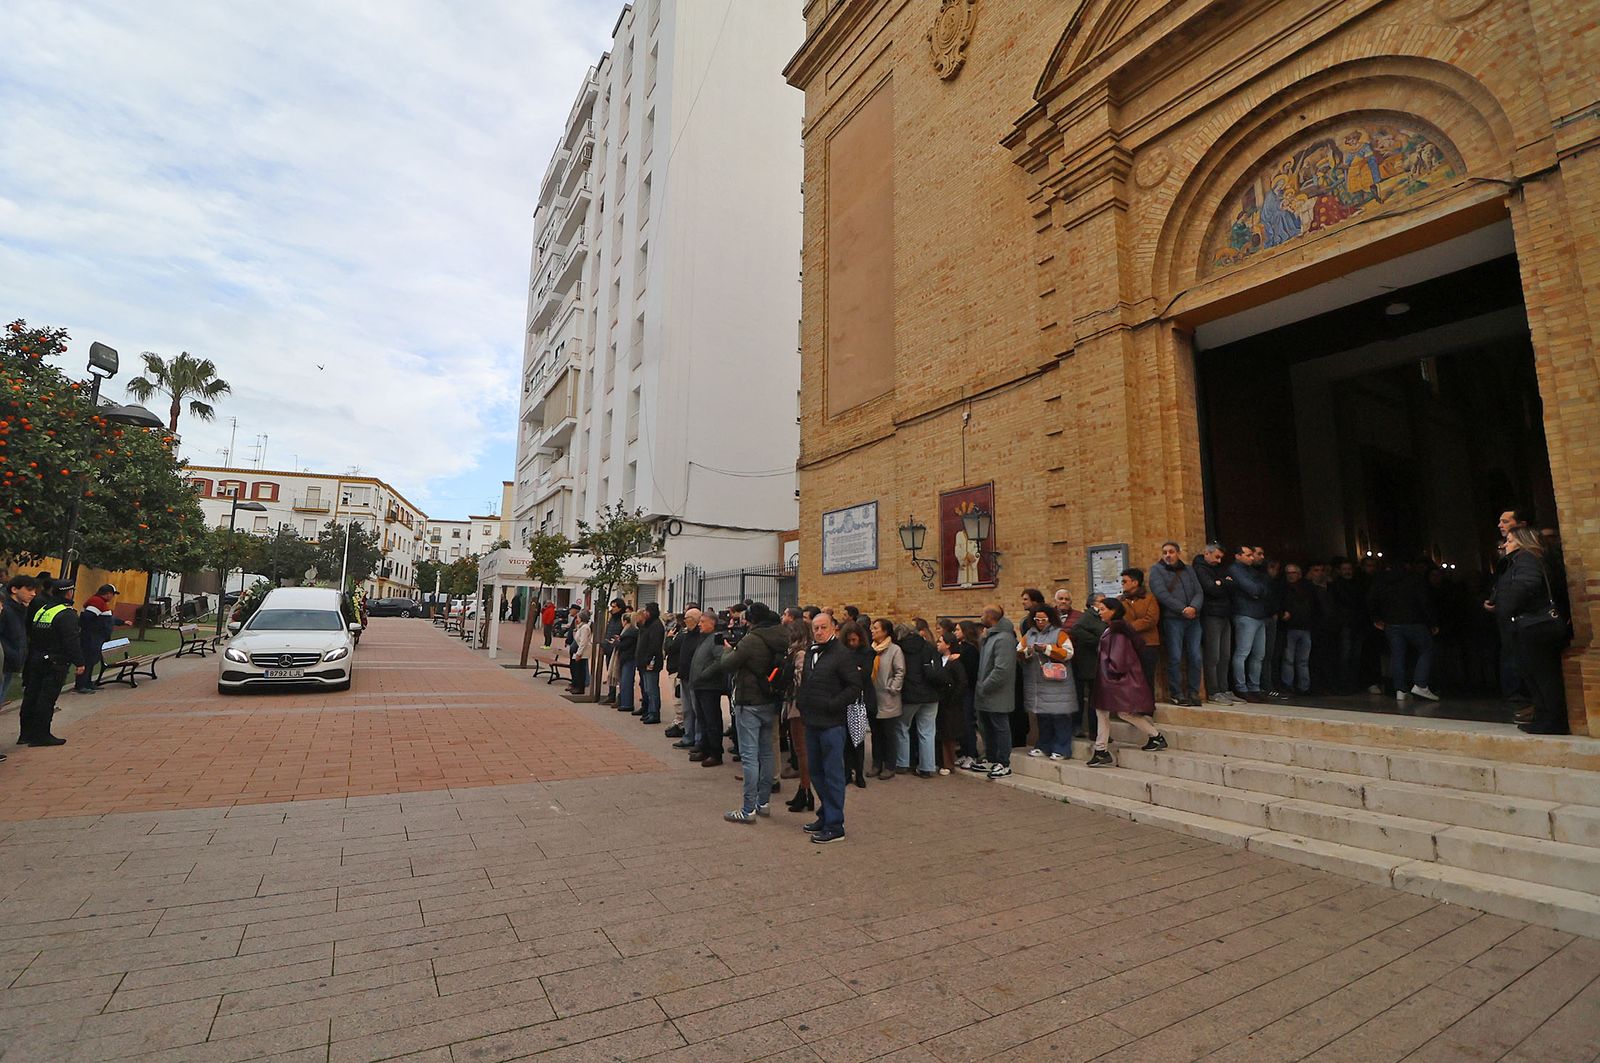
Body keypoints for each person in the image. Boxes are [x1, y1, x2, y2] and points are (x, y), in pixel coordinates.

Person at [705, 602, 791, 821]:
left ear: (753, 620)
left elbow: (729, 664)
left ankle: (747, 809)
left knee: (750, 757)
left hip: (749, 700)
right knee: (767, 752)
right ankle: (763, 803)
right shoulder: (782, 636)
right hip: (770, 699)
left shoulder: (752, 640)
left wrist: (726, 651)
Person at [796, 610, 863, 844]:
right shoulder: (811, 653)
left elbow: (854, 686)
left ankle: (835, 825)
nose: (819, 631)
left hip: (832, 724)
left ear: (834, 628)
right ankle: (825, 814)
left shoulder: (842, 654)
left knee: (833, 774)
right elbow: (806, 682)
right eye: (816, 628)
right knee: (816, 771)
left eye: (824, 627)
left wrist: (833, 704)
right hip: (812, 721)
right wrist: (802, 703)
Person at [1494, 527, 1569, 734]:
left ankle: (1554, 720)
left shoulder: (1526, 558)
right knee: (1533, 674)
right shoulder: (1522, 560)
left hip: (1537, 625)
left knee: (1543, 675)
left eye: (1509, 541)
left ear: (1521, 541)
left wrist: (1506, 606)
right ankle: (1544, 716)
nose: (1505, 545)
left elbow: (1526, 586)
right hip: (1531, 624)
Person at [1086, 597, 1166, 767]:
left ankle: (1101, 751)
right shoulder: (1116, 629)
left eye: (1102, 609)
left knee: (1107, 711)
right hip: (1115, 678)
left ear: (1113, 611)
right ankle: (1155, 736)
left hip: (1114, 679)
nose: (1099, 612)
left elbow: (1118, 658)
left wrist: (1110, 672)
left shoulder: (1117, 631)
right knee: (1120, 712)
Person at [19, 578, 87, 746]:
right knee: (46, 698)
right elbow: (71, 640)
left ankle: (25, 734)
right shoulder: (66, 613)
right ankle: (41, 735)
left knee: (31, 695)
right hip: (55, 661)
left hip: (36, 658)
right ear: (69, 592)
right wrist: (79, 662)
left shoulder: (43, 609)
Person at [1369, 558, 1439, 701]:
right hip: (1413, 620)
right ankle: (1420, 684)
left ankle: (1400, 689)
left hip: (1391, 623)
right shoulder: (1414, 579)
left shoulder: (1382, 580)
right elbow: (1424, 601)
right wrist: (1432, 622)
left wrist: (1376, 618)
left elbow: (1371, 598)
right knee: (1427, 648)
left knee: (1397, 655)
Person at [1019, 605, 1077, 760]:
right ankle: (1043, 746)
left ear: (1050, 619)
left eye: (1043, 619)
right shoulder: (1029, 634)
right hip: (1037, 682)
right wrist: (1028, 652)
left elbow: (1068, 653)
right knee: (1042, 716)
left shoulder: (1060, 633)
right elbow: (1018, 650)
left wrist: (1047, 649)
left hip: (1057, 683)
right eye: (1037, 619)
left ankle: (1062, 748)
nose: (1040, 622)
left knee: (1059, 716)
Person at [1151, 543, 1204, 705]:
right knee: (1175, 656)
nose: (1168, 555)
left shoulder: (1188, 569)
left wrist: (1194, 607)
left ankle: (1194, 692)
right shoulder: (1156, 570)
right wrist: (1182, 609)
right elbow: (1161, 594)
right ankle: (1177, 692)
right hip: (1173, 619)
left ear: (1178, 553)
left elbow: (1198, 591)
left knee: (1195, 656)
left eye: (1171, 552)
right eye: (1165, 552)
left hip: (1193, 619)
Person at [973, 606, 1018, 778]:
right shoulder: (990, 636)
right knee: (986, 727)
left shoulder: (1003, 639)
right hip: (985, 693)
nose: (980, 616)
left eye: (983, 613)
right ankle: (990, 759)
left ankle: (1003, 763)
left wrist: (985, 686)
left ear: (991, 617)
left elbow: (1001, 670)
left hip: (996, 693)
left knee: (1000, 727)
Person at [893, 622, 941, 778]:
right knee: (927, 731)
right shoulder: (929, 646)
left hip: (910, 694)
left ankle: (902, 763)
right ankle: (927, 767)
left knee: (902, 727)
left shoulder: (899, 648)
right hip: (931, 694)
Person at [1227, 545, 1272, 701]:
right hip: (1245, 614)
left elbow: (1265, 588)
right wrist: (1257, 591)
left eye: (1252, 555)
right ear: (1238, 556)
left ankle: (1255, 687)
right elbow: (1252, 588)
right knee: (1243, 652)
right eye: (1248, 555)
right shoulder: (1234, 569)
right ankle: (1241, 687)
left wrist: (1257, 591)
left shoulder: (1253, 571)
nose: (1252, 558)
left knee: (1259, 654)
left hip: (1259, 615)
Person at [1193, 543, 1236, 704]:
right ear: (1206, 553)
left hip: (1225, 613)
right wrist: (1222, 583)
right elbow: (1210, 588)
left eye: (1220, 558)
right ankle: (1213, 691)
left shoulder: (1219, 568)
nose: (1219, 561)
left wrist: (1221, 582)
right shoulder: (1200, 568)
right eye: (1216, 557)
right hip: (1211, 614)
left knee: (1225, 654)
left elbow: (1233, 584)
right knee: (1213, 655)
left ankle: (1225, 688)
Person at [782, 617, 814, 811]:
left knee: (802, 751)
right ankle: (803, 790)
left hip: (798, 705)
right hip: (797, 703)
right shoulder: (801, 651)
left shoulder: (800, 653)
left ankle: (806, 791)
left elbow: (801, 680)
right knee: (800, 750)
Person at [688, 610, 728, 766]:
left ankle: (715, 753)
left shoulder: (715, 640)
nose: (700, 624)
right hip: (699, 685)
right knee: (703, 719)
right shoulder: (704, 639)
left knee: (712, 721)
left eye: (703, 622)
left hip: (709, 687)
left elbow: (719, 661)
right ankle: (704, 749)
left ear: (712, 623)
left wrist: (704, 674)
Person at [868, 618, 904, 780]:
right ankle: (876, 764)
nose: (872, 631)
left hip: (889, 699)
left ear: (885, 631)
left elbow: (900, 671)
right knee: (876, 734)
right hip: (873, 698)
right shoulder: (871, 649)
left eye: (876, 628)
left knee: (888, 734)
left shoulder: (894, 650)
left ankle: (890, 766)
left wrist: (892, 688)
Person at [1279, 563, 1322, 696]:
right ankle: (1288, 686)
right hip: (1289, 628)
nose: (1291, 576)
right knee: (1288, 659)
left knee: (1303, 660)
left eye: (1293, 573)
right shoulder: (1282, 589)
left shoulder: (1308, 588)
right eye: (1288, 573)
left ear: (1299, 574)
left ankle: (1304, 687)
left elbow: (1315, 606)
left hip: (1305, 628)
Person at [841, 621, 874, 787]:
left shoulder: (867, 652)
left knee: (858, 738)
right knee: (846, 739)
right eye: (850, 641)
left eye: (855, 640)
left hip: (859, 701)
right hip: (846, 700)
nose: (853, 643)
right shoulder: (843, 652)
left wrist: (852, 671)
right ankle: (847, 772)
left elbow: (865, 674)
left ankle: (859, 773)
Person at [1, 575, 41, 712]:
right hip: (4, 661)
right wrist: (10, 653)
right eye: (29, 590)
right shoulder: (5, 609)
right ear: (14, 589)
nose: (33, 594)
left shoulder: (20, 609)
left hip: (11, 662)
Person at [1069, 593, 1107, 737]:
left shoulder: (1099, 616)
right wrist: (1097, 641)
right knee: (1089, 698)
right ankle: (1088, 729)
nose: (1104, 603)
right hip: (1087, 664)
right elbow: (1076, 630)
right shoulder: (1088, 616)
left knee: (1094, 699)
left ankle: (1095, 731)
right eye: (1101, 601)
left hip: (1094, 663)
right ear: (1093, 603)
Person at [74, 584, 121, 694]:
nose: (113, 597)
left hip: (96, 637)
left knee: (91, 661)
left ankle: (88, 682)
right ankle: (81, 684)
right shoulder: (96, 602)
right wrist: (93, 630)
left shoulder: (101, 602)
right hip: (91, 637)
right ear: (108, 593)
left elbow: (108, 618)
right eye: (113, 594)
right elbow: (86, 617)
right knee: (88, 660)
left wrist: (121, 622)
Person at [1118, 568, 1160, 688]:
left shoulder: (1149, 599)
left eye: (1125, 581)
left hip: (1148, 643)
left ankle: (1148, 704)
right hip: (1127, 643)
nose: (1122, 584)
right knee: (1130, 677)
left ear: (1135, 582)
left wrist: (1129, 626)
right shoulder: (1120, 600)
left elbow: (1151, 619)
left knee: (1147, 676)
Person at [933, 632, 968, 774]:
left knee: (948, 734)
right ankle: (939, 761)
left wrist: (952, 698)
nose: (937, 644)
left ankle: (948, 763)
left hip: (950, 704)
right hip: (940, 702)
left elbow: (961, 683)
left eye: (940, 641)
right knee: (939, 733)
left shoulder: (955, 662)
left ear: (948, 644)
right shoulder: (938, 660)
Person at [671, 608, 706, 752]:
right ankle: (688, 735)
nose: (685, 621)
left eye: (688, 618)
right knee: (686, 709)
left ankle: (698, 739)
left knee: (696, 709)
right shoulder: (686, 635)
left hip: (695, 678)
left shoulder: (700, 637)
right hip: (684, 676)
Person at [951, 620, 982, 770]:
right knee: (960, 723)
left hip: (968, 690)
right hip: (960, 690)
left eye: (958, 630)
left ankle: (972, 753)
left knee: (967, 722)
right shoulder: (960, 647)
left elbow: (970, 672)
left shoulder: (970, 650)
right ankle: (963, 751)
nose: (955, 632)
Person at [635, 602, 666, 724]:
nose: (644, 613)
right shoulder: (648, 625)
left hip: (651, 662)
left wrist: (648, 659)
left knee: (652, 689)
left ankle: (654, 713)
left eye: (646, 611)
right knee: (647, 689)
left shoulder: (656, 626)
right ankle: (649, 711)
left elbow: (654, 646)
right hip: (644, 661)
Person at [613, 610, 639, 714]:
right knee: (625, 681)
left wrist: (616, 642)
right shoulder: (630, 631)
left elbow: (624, 645)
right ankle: (624, 702)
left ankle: (627, 704)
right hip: (628, 658)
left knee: (626, 681)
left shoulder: (630, 631)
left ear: (625, 621)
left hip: (628, 659)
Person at [567, 610, 592, 695]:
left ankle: (580, 688)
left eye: (577, 617)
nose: (576, 619)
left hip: (582, 653)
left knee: (580, 670)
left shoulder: (585, 628)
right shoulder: (581, 627)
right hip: (578, 651)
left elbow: (583, 642)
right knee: (577, 669)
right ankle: (576, 686)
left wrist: (579, 653)